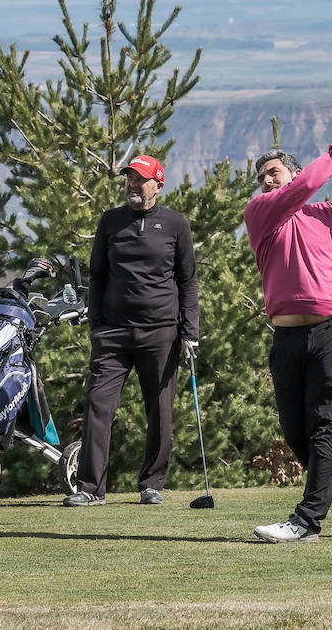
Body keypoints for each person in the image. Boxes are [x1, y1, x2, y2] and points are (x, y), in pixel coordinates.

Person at [244, 129, 332, 542]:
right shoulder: (261, 212)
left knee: (322, 424)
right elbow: (307, 184)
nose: (267, 180)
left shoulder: (326, 214)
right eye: (261, 176)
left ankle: (307, 521)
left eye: (273, 171)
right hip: (286, 337)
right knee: (294, 432)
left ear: (293, 172)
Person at [64, 154, 199, 507]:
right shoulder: (111, 222)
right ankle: (91, 489)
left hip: (160, 333)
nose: (132, 185)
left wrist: (191, 330)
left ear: (157, 184)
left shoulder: (175, 224)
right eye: (129, 179)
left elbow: (187, 280)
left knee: (160, 410)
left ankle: (152, 482)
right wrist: (96, 324)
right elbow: (98, 276)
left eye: (140, 179)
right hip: (112, 333)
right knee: (98, 406)